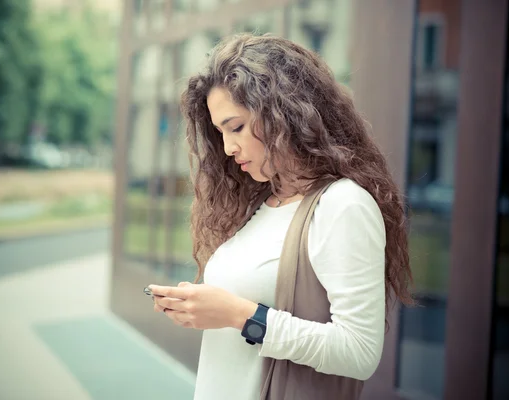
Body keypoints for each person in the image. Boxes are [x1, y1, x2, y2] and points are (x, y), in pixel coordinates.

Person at [147, 33, 413, 400]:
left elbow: (360, 352)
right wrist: (203, 308)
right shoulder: (260, 202)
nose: (227, 148)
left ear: (283, 112)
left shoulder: (342, 205)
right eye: (220, 133)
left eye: (236, 127)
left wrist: (242, 315)